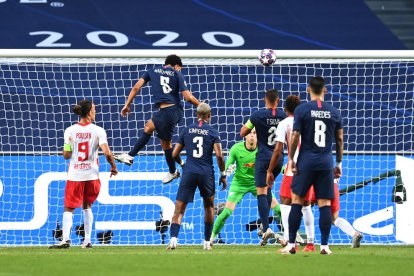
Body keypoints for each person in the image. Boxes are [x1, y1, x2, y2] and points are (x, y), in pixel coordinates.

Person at [114, 55, 200, 184]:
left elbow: (136, 88)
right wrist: (200, 105)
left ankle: (132, 156)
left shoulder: (152, 71)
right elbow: (188, 97)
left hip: (168, 112)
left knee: (165, 143)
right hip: (172, 111)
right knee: (151, 129)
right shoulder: (177, 73)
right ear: (176, 65)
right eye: (180, 68)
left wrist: (127, 105)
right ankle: (173, 170)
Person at [283, 76, 343, 255]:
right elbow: (339, 139)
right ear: (325, 90)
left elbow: (295, 136)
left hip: (306, 161)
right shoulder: (334, 111)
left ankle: (292, 244)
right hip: (325, 162)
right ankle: (324, 246)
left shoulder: (302, 110)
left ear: (308, 89)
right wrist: (339, 163)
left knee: (297, 201)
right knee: (324, 203)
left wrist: (292, 159)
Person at [49, 100, 118, 249]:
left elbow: (66, 155)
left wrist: (70, 144)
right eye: (94, 109)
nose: (95, 112)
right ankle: (87, 241)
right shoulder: (99, 130)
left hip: (75, 175)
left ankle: (66, 240)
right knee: (87, 206)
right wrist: (113, 166)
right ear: (88, 113)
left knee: (69, 207)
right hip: (92, 175)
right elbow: (107, 153)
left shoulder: (70, 131)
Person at [166, 103, 227, 250]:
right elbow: (219, 155)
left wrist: (182, 164)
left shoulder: (187, 130)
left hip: (189, 172)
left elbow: (174, 154)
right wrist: (223, 174)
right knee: (209, 207)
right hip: (206, 172)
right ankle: (207, 243)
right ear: (209, 115)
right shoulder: (212, 132)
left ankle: (173, 240)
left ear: (196, 114)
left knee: (179, 208)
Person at [210, 129, 282, 243]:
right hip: (239, 184)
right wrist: (226, 171)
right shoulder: (236, 148)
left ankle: (289, 237)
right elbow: (228, 165)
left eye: (255, 133)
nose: (252, 136)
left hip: (258, 183)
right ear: (245, 136)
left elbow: (275, 163)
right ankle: (212, 237)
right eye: (250, 133)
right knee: (226, 212)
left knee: (279, 209)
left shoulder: (263, 149)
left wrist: (284, 169)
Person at [267, 95, 315, 252]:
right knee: (306, 205)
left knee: (285, 202)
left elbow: (278, 150)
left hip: (293, 168)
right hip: (310, 166)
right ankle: (310, 243)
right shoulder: (309, 122)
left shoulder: (284, 123)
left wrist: (269, 170)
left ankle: (290, 242)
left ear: (285, 109)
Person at [240, 89, 286, 245]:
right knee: (268, 189)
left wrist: (256, 129)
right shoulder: (283, 116)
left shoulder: (257, 115)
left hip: (264, 158)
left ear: (264, 99)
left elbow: (242, 132)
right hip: (279, 159)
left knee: (261, 191)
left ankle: (266, 229)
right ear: (278, 101)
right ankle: (271, 229)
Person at [308, 179, 363, 248]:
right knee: (334, 219)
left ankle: (293, 240)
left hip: (315, 186)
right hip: (333, 186)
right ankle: (355, 234)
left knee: (297, 207)